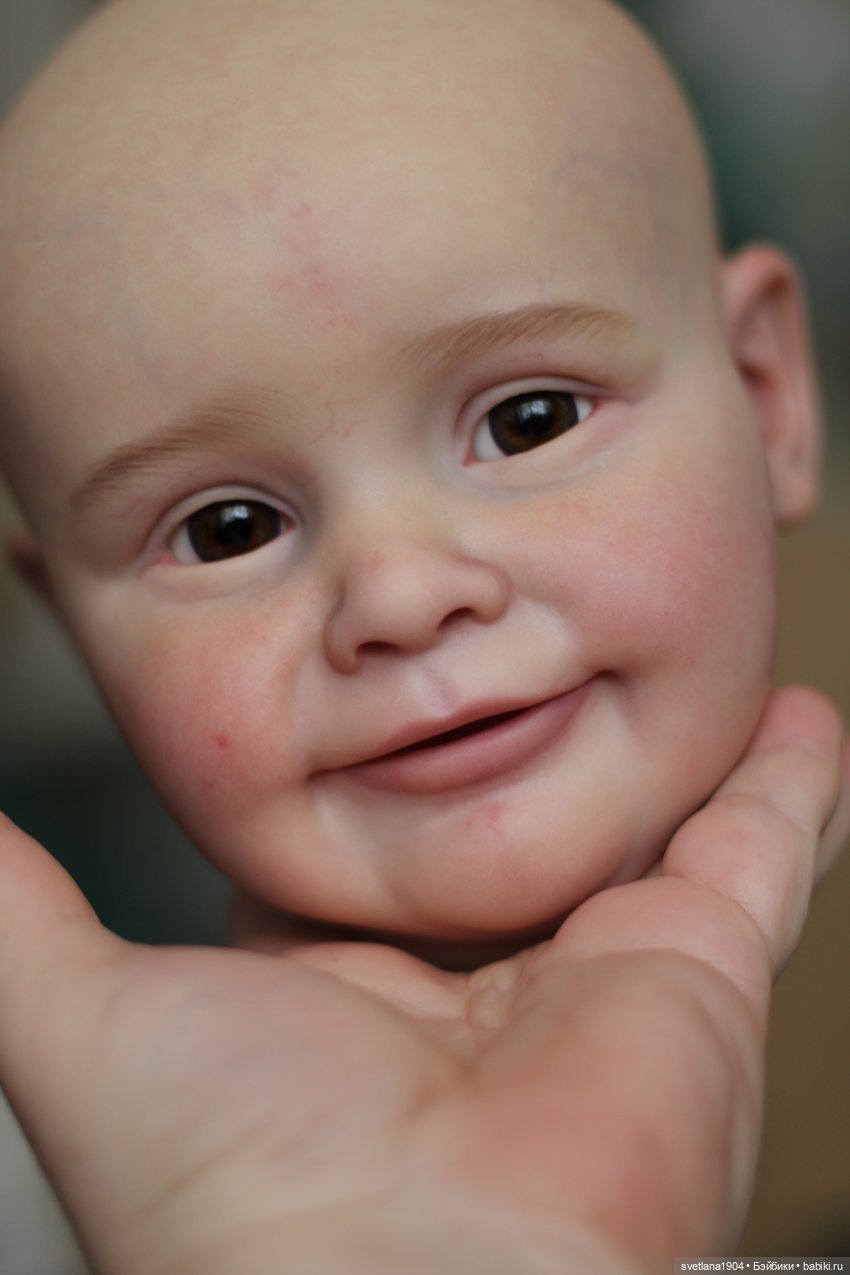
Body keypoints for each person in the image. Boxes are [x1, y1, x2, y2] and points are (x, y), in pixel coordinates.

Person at [0, 0, 846, 1269]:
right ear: (70, 629)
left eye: (527, 420)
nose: (399, 597)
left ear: (765, 397)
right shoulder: (106, 1164)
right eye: (228, 529)